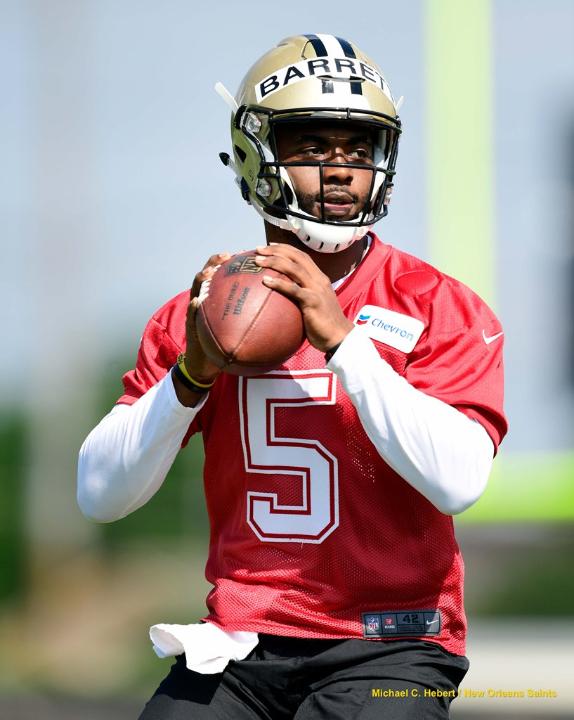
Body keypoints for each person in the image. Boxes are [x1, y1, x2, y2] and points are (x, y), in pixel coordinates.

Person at [78, 33, 507, 720]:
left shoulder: (437, 305)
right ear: (258, 153)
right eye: (313, 146)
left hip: (390, 645)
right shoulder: (202, 313)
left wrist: (343, 341)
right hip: (240, 643)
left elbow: (459, 480)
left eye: (358, 149)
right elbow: (100, 494)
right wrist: (190, 376)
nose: (341, 170)